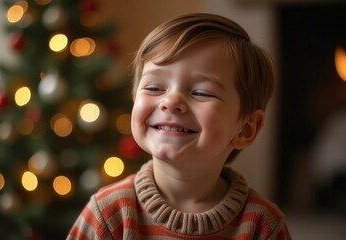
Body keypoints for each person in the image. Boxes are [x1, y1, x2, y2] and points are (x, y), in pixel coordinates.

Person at [67, 13, 291, 239]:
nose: (171, 102)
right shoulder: (108, 215)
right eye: (154, 88)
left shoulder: (263, 226)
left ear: (246, 129)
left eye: (201, 92)